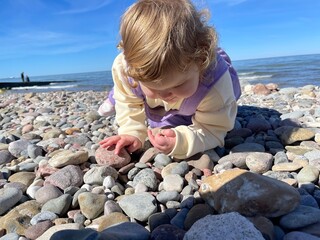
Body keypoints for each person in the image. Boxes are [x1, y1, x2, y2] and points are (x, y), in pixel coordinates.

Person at [99, 0, 241, 159]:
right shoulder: (126, 70)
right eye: (153, 87)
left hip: (207, 91)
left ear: (201, 60)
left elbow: (213, 129)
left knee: (193, 115)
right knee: (128, 93)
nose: (165, 95)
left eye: (179, 84)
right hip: (139, 85)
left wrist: (182, 141)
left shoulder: (215, 82)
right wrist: (131, 132)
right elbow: (129, 103)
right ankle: (114, 96)